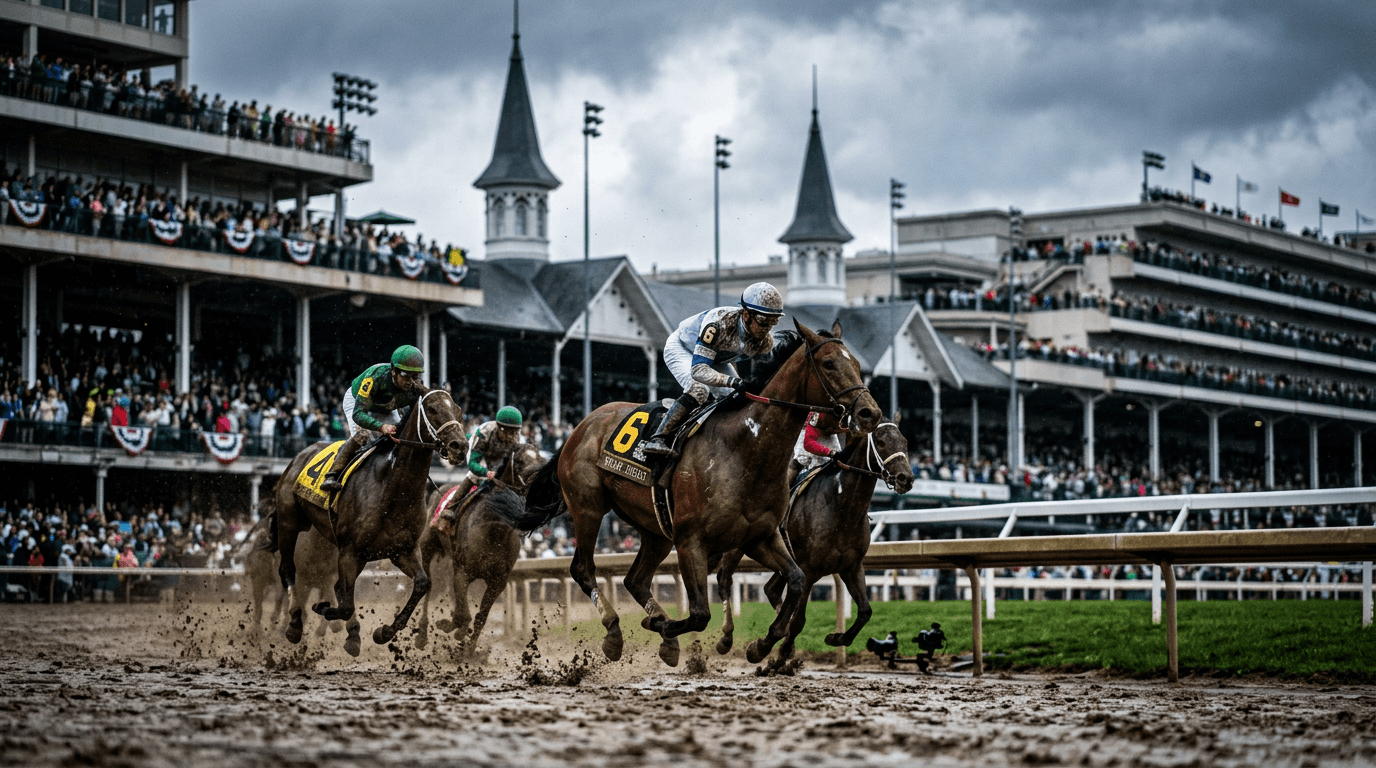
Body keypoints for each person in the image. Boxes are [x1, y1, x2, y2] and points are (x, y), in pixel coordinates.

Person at [642, 282, 784, 457]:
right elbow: (699, 370)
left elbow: (763, 376)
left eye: (773, 322)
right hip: (683, 349)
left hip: (716, 357)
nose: (767, 329)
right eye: (763, 322)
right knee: (699, 389)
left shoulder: (764, 341)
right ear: (746, 315)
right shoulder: (718, 325)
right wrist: (733, 381)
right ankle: (658, 437)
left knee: (737, 397)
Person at [320, 345, 425, 492]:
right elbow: (358, 414)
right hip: (358, 403)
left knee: (400, 438)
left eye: (415, 376)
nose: (410, 382)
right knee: (362, 436)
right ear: (393, 371)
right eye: (405, 376)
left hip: (387, 407)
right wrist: (381, 427)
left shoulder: (415, 386)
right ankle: (332, 474)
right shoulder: (375, 377)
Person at [435, 406, 525, 530]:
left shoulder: (517, 438)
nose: (512, 436)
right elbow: (472, 464)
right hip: (481, 454)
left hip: (499, 459)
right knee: (474, 476)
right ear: (500, 427)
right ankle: (451, 508)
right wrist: (486, 473)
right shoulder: (484, 433)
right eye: (508, 431)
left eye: (515, 431)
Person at [786, 410, 843, 488]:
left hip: (828, 432)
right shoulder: (818, 414)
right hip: (810, 433)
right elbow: (808, 443)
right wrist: (830, 452)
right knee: (800, 462)